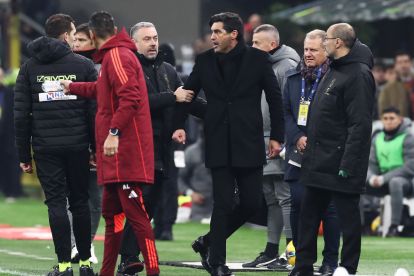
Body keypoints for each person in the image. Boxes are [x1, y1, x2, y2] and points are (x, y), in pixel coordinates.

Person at [172, 12, 284, 276]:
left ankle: (208, 241)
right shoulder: (204, 61)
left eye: (218, 32)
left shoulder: (258, 59)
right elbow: (188, 94)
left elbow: (275, 99)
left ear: (234, 34)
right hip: (218, 141)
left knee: (251, 203)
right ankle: (217, 262)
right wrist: (177, 124)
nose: (212, 36)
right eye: (212, 31)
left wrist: (278, 136)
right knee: (222, 203)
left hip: (249, 141)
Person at [60, 11, 160, 276]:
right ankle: (106, 272)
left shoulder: (117, 57)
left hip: (125, 152)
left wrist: (114, 132)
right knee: (112, 218)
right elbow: (102, 89)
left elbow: (131, 99)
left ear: (93, 35)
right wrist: (74, 87)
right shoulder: (114, 57)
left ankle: (154, 271)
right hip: (115, 156)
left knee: (137, 217)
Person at [14, 13, 97, 276]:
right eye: (74, 34)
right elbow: (93, 111)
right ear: (65, 36)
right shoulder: (83, 65)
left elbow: (20, 115)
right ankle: (85, 264)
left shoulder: (28, 68)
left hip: (45, 147)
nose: (75, 39)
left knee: (56, 204)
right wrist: (95, 148)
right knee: (81, 202)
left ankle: (63, 267)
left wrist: (23, 155)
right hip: (77, 145)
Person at [115, 21, 200, 276]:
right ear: (135, 43)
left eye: (155, 37)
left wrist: (179, 125)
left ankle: (128, 257)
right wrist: (171, 97)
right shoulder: (129, 69)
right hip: (138, 145)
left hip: (163, 146)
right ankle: (128, 257)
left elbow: (181, 102)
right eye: (147, 39)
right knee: (142, 202)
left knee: (152, 203)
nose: (153, 43)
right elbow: (136, 103)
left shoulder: (168, 70)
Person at [290, 23, 375, 276]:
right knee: (308, 217)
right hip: (318, 160)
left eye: (326, 38)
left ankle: (347, 269)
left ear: (338, 43)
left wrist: (348, 164)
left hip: (341, 163)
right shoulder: (334, 69)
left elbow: (360, 124)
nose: (323, 42)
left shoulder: (358, 74)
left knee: (347, 220)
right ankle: (303, 267)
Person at [283, 30, 340, 276]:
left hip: (326, 153)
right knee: (297, 204)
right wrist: (297, 136)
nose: (307, 54)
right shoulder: (293, 77)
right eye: (306, 49)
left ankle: (330, 262)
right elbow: (285, 112)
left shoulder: (337, 77)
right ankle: (302, 262)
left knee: (329, 209)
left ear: (326, 51)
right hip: (298, 152)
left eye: (314, 49)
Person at [243, 23, 299, 269]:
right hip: (262, 139)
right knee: (272, 197)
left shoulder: (286, 66)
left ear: (272, 45)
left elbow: (289, 106)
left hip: (278, 140)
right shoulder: (263, 65)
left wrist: (283, 139)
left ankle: (291, 252)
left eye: (257, 43)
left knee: (284, 196)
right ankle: (271, 251)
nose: (252, 47)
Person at [69, 22, 100, 265]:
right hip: (75, 138)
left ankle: (86, 243)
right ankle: (75, 245)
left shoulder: (107, 65)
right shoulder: (68, 65)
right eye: (74, 39)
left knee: (96, 199)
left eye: (81, 40)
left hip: (101, 139)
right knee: (77, 196)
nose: (76, 44)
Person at [366, 107, 414, 237]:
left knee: (395, 182)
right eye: (385, 119)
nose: (389, 121)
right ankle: (361, 226)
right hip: (383, 181)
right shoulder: (377, 138)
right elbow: (371, 164)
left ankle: (394, 227)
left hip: (407, 182)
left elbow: (410, 167)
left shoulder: (408, 137)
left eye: (392, 118)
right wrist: (371, 178)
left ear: (400, 120)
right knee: (358, 183)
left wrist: (384, 178)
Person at [178, 122, 213, 221]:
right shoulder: (191, 152)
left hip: (219, 206)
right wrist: (191, 193)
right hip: (198, 208)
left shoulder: (224, 151)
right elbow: (179, 178)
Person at [378, 51, 414, 119]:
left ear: (411, 63)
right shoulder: (388, 88)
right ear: (395, 66)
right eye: (400, 62)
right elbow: (382, 112)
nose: (403, 65)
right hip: (399, 127)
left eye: (406, 61)